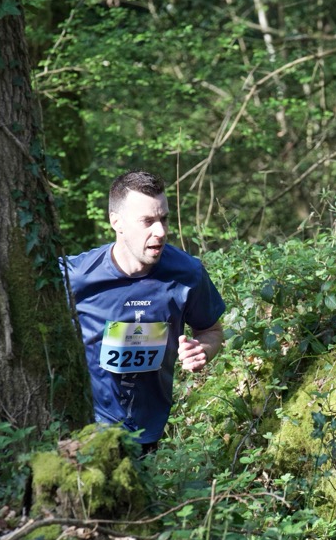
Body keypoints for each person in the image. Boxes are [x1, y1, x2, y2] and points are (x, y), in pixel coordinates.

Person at [64, 171, 226, 455]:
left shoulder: (187, 273)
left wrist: (203, 350)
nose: (161, 231)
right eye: (148, 221)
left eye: (164, 219)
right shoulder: (76, 276)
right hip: (86, 429)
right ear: (117, 222)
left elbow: (211, 331)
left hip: (148, 431)